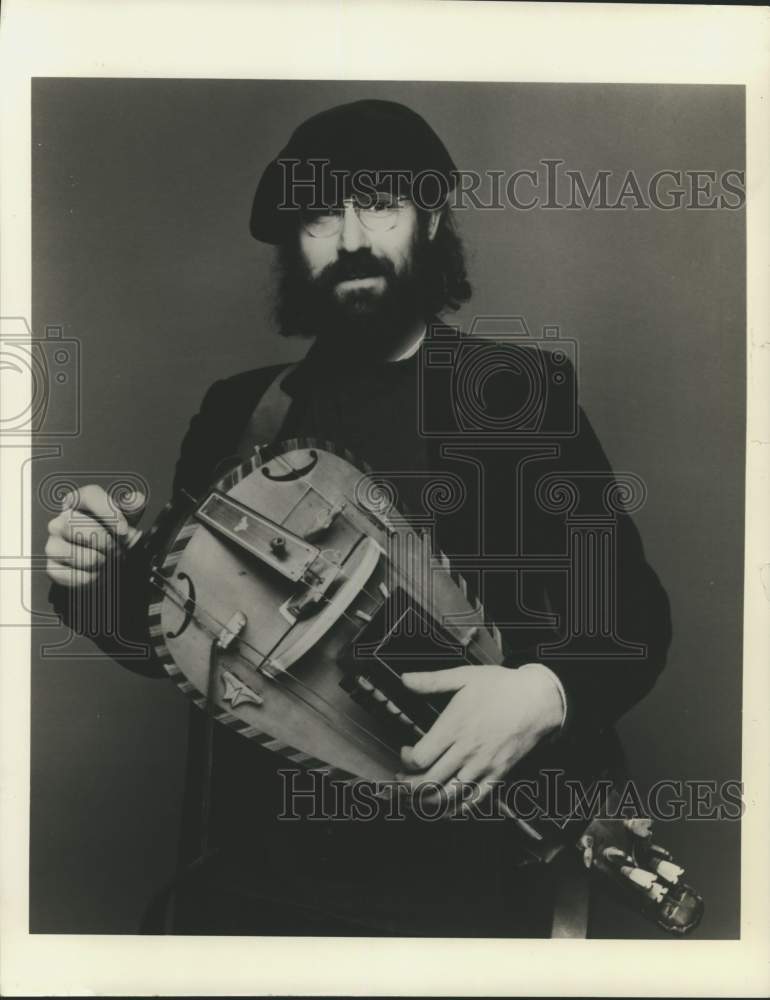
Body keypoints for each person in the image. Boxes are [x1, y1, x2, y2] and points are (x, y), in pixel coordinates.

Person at [45, 99, 672, 937]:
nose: (348, 240)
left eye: (378, 203)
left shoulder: (516, 397)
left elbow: (628, 619)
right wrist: (95, 579)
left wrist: (541, 692)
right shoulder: (244, 414)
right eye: (318, 214)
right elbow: (183, 636)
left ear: (432, 216)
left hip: (478, 893)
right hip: (271, 894)